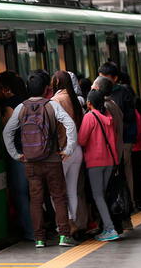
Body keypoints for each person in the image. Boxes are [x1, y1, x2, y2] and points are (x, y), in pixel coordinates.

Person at [3, 71, 77, 248]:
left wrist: (16, 154)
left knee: (35, 199)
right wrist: (69, 149)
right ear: (46, 89)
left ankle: (39, 238)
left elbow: (7, 132)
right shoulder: (52, 106)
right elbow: (70, 124)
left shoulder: (21, 108)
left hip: (31, 161)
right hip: (52, 160)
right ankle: (64, 236)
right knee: (58, 197)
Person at [78, 90, 120, 241]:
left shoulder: (89, 117)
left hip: (95, 162)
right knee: (102, 195)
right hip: (109, 161)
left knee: (98, 196)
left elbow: (82, 140)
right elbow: (113, 140)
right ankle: (106, 227)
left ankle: (109, 229)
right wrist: (116, 161)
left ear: (89, 103)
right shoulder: (108, 117)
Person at [98, 62, 137, 224]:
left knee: (124, 177)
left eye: (104, 79)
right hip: (107, 146)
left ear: (115, 78)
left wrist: (127, 140)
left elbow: (129, 118)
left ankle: (127, 207)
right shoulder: (99, 96)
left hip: (122, 142)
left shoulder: (123, 93)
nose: (101, 82)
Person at [0, 71, 33, 241]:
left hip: (19, 156)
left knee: (21, 194)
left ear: (5, 89)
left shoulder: (9, 105)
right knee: (34, 194)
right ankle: (38, 228)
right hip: (34, 152)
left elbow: (6, 130)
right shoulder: (27, 101)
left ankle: (30, 231)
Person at [51, 71, 84, 234]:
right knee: (72, 189)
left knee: (57, 191)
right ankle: (72, 220)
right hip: (77, 150)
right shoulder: (76, 100)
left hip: (63, 151)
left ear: (57, 81)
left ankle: (65, 223)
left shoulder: (55, 100)